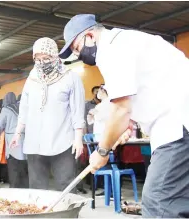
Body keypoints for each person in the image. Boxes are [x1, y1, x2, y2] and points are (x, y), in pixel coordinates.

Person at [59, 14, 189, 217]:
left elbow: (121, 108)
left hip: (178, 124)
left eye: (77, 49)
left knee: (158, 202)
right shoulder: (126, 40)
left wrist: (102, 151)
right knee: (177, 200)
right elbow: (143, 93)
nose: (78, 55)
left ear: (90, 36)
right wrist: (129, 123)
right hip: (177, 121)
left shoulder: (111, 50)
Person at [10, 37, 86, 192]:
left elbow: (78, 110)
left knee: (65, 184)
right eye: (37, 59)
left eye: (46, 58)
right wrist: (18, 133)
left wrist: (78, 139)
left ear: (55, 56)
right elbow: (24, 107)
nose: (41, 63)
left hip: (63, 141)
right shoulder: (32, 78)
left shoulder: (70, 77)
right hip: (34, 141)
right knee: (37, 187)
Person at [0, 92, 29, 188]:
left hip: (13, 143)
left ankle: (15, 190)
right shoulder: (24, 109)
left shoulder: (6, 110)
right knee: (25, 171)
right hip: (26, 142)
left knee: (14, 170)